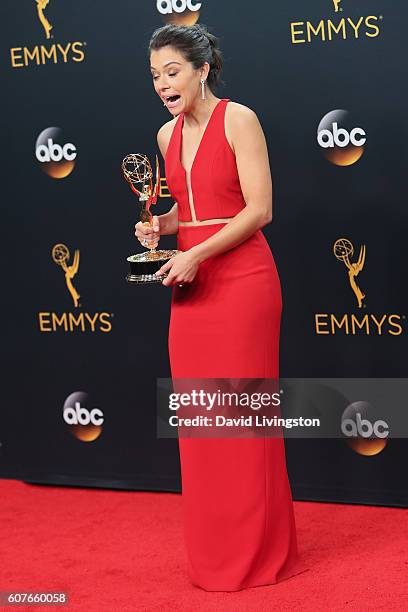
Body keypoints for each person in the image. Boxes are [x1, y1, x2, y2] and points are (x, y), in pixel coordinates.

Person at [135, 23, 307, 592]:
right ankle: (216, 554)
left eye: (173, 71)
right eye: (156, 75)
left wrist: (195, 255)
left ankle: (261, 555)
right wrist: (162, 227)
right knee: (203, 424)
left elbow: (258, 210)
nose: (162, 83)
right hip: (192, 285)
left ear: (203, 69)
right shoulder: (165, 136)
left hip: (243, 282)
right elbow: (192, 211)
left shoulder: (240, 119)